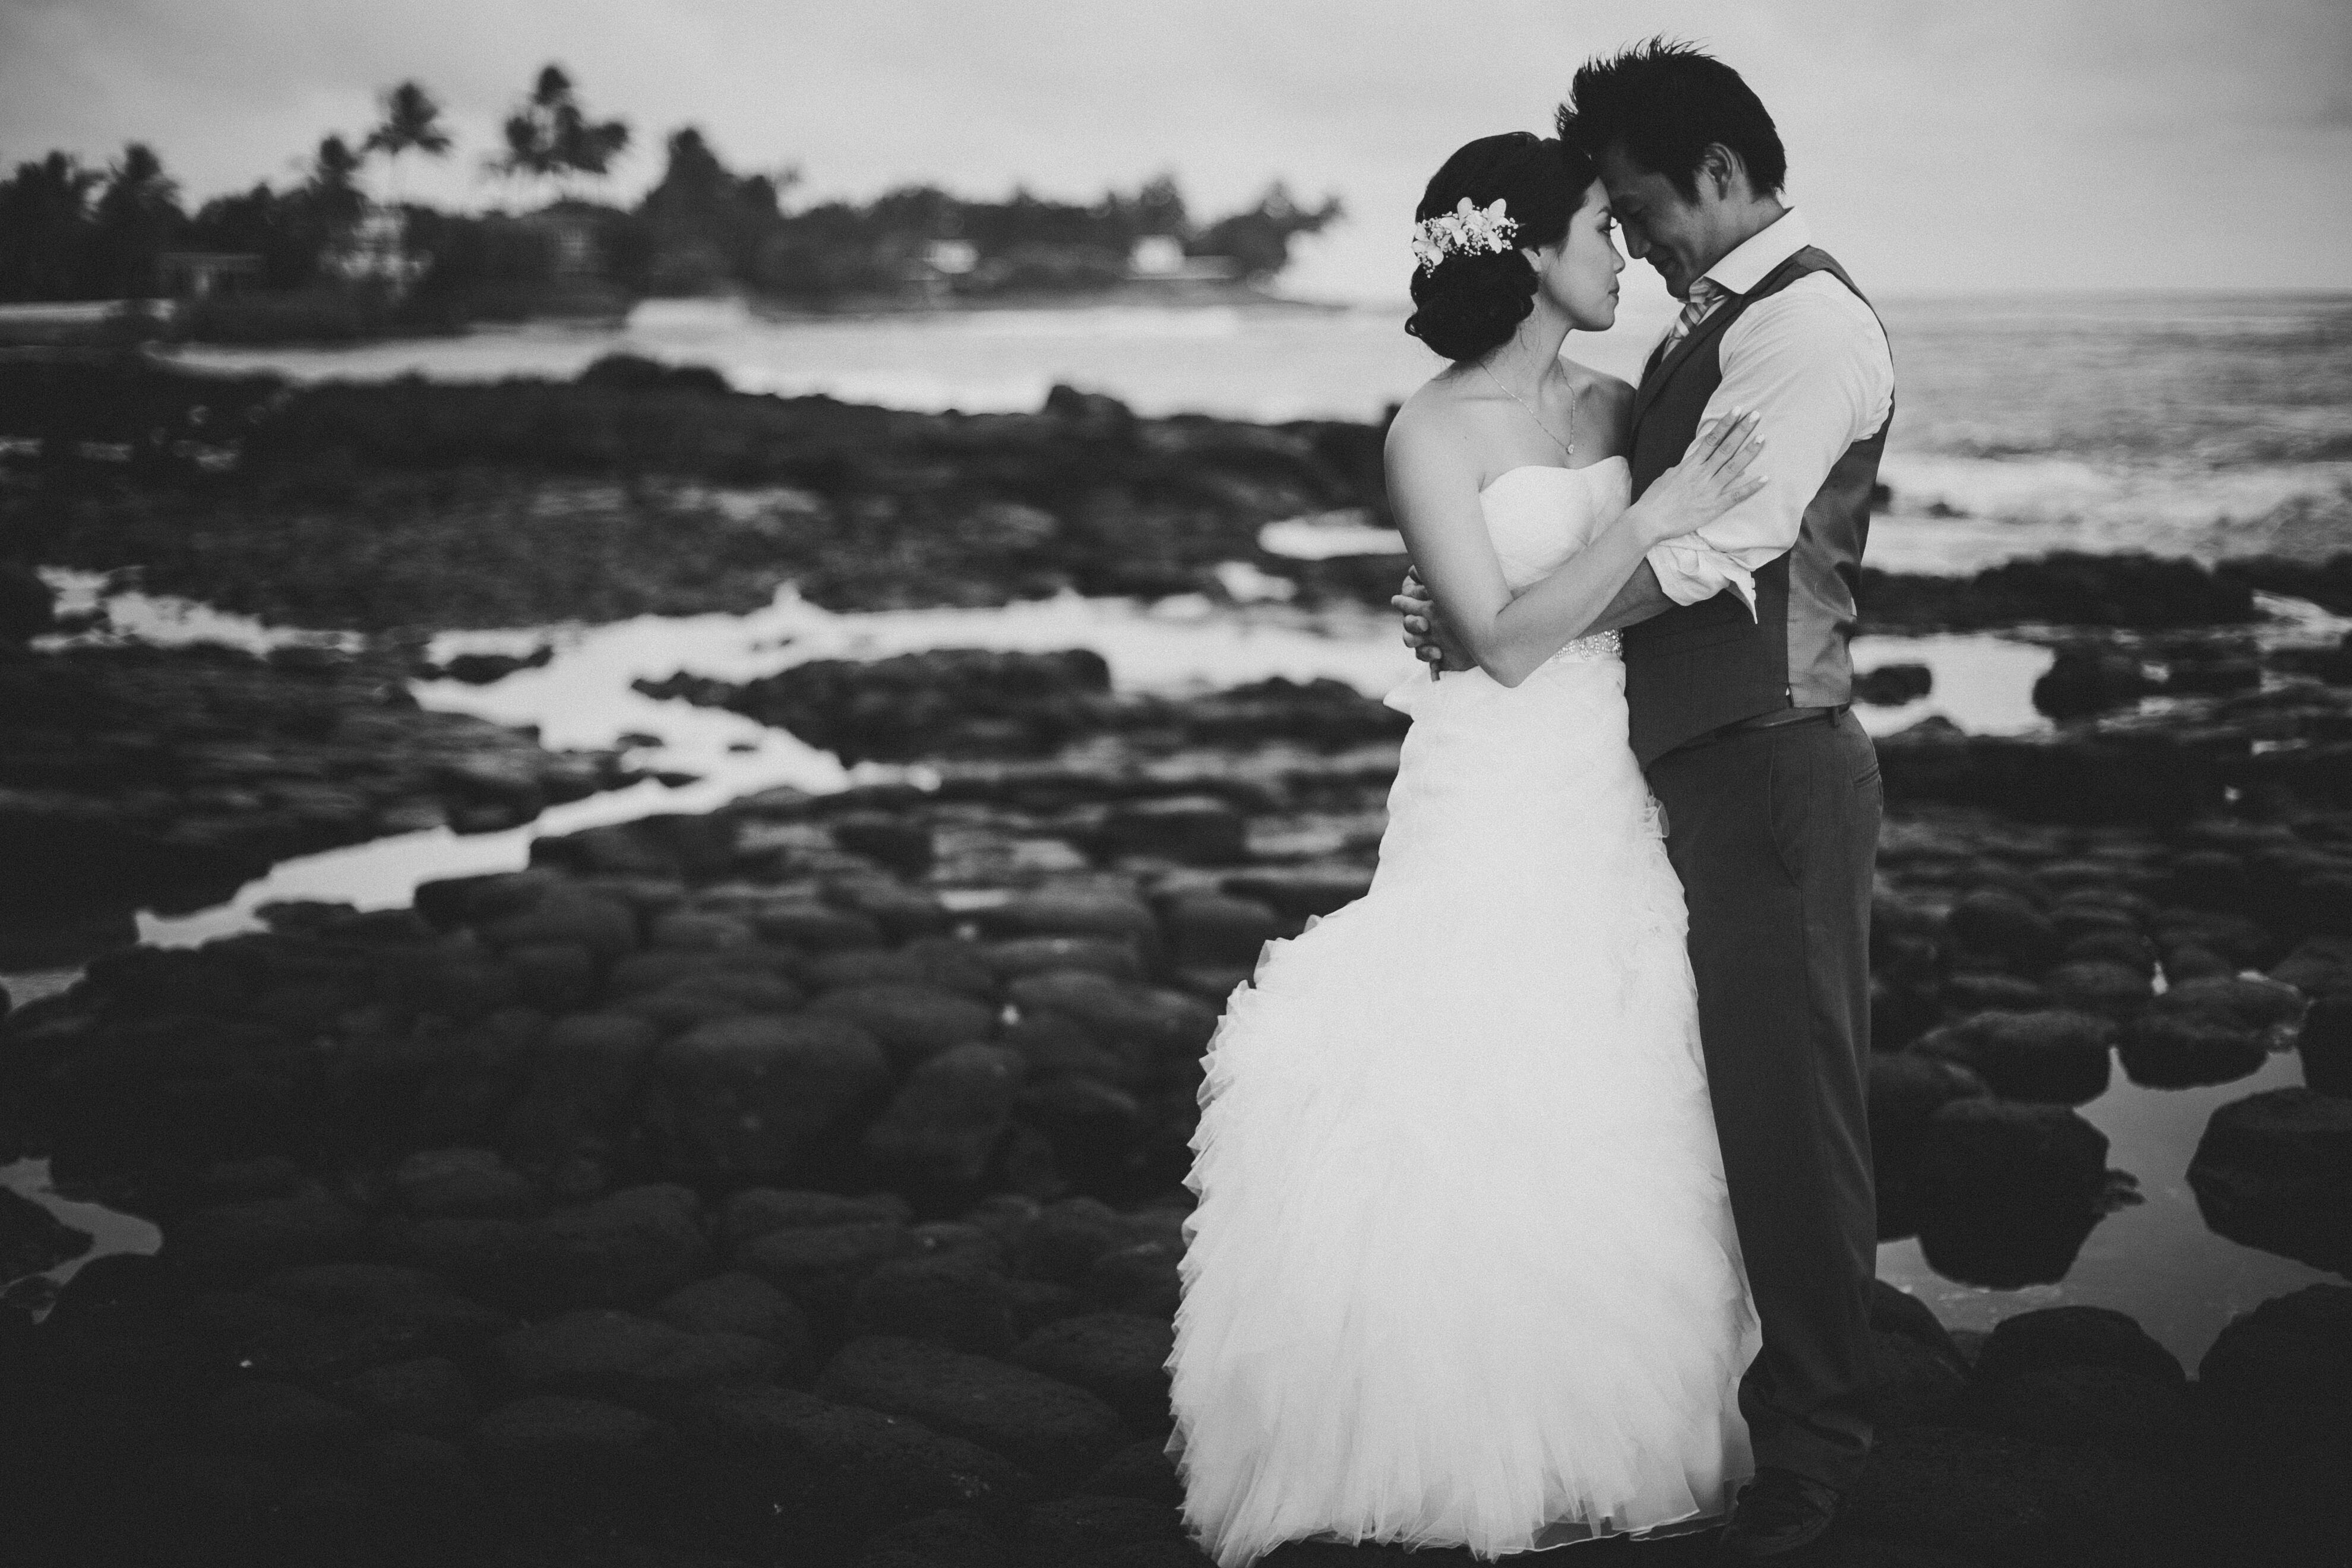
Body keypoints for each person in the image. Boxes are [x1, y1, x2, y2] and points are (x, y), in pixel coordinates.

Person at [1164, 129, 1769, 1567]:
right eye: (1599, 234)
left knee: (1616, 1069)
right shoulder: (1428, 432)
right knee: (1470, 1066)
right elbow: (1498, 643)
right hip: (1494, 780)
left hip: (1611, 784)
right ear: (1532, 258)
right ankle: (1454, 1441)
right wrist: (1649, 524)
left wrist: (1667, 519)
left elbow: (1671, 575)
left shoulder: (1625, 401)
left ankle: (1623, 1414)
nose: (1621, 252)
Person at [1398, 40, 1896, 1560]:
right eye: (1603, 216)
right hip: (1666, 776)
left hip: (1773, 758)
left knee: (1793, 1113)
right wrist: (1482, 596)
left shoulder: (1806, 330)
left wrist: (1510, 625)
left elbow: (1710, 552)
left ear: (1725, 180)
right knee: (1711, 1103)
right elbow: (1569, 523)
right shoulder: (1697, 339)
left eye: (1637, 207)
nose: (1633, 238)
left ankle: (1816, 1443)